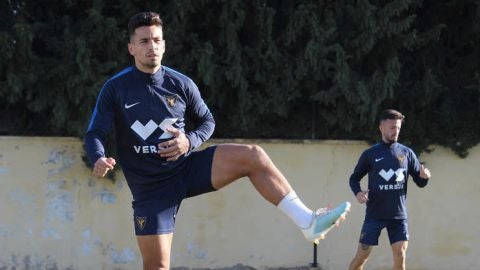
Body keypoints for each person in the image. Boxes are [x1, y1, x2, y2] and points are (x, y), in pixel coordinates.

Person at [84, 11, 350, 270]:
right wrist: (97, 157)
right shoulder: (116, 88)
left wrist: (188, 141)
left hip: (186, 169)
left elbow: (207, 122)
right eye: (143, 41)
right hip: (151, 189)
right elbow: (95, 132)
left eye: (156, 40)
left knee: (252, 156)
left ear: (164, 45)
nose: (151, 46)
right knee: (157, 266)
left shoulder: (181, 83)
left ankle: (307, 222)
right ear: (131, 48)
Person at [347, 109, 431, 270]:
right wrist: (358, 192)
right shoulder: (371, 154)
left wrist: (425, 177)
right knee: (361, 257)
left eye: (398, 128)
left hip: (398, 217)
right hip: (374, 215)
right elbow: (354, 178)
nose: (396, 131)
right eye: (392, 127)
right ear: (381, 128)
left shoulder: (406, 153)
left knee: (400, 255)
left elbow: (419, 182)